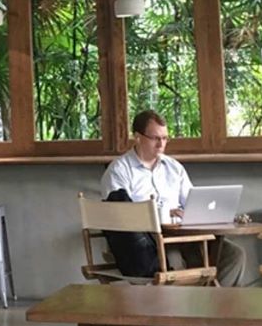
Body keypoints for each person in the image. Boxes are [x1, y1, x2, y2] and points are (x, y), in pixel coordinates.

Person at [100, 109, 245, 286]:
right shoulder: (119, 171)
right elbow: (119, 215)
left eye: (165, 138)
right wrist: (162, 212)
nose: (161, 144)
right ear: (137, 137)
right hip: (149, 244)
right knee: (174, 262)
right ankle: (195, 300)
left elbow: (193, 202)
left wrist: (190, 212)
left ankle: (212, 299)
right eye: (155, 138)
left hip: (184, 237)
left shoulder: (174, 168)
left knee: (234, 255)